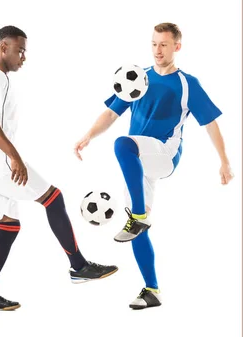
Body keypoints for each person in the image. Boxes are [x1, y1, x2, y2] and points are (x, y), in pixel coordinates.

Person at [74, 22, 234, 310]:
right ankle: (152, 290)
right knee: (137, 228)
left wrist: (225, 162)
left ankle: (138, 214)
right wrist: (87, 135)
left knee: (123, 144)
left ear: (177, 46)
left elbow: (210, 124)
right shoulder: (137, 78)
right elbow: (111, 114)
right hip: (136, 163)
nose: (157, 50)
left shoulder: (187, 83)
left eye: (164, 44)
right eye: (153, 44)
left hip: (164, 154)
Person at [0, 26, 118, 311]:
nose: (23, 56)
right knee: (54, 198)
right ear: (3, 47)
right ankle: (79, 266)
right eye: (19, 50)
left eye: (24, 50)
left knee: (8, 228)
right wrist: (14, 156)